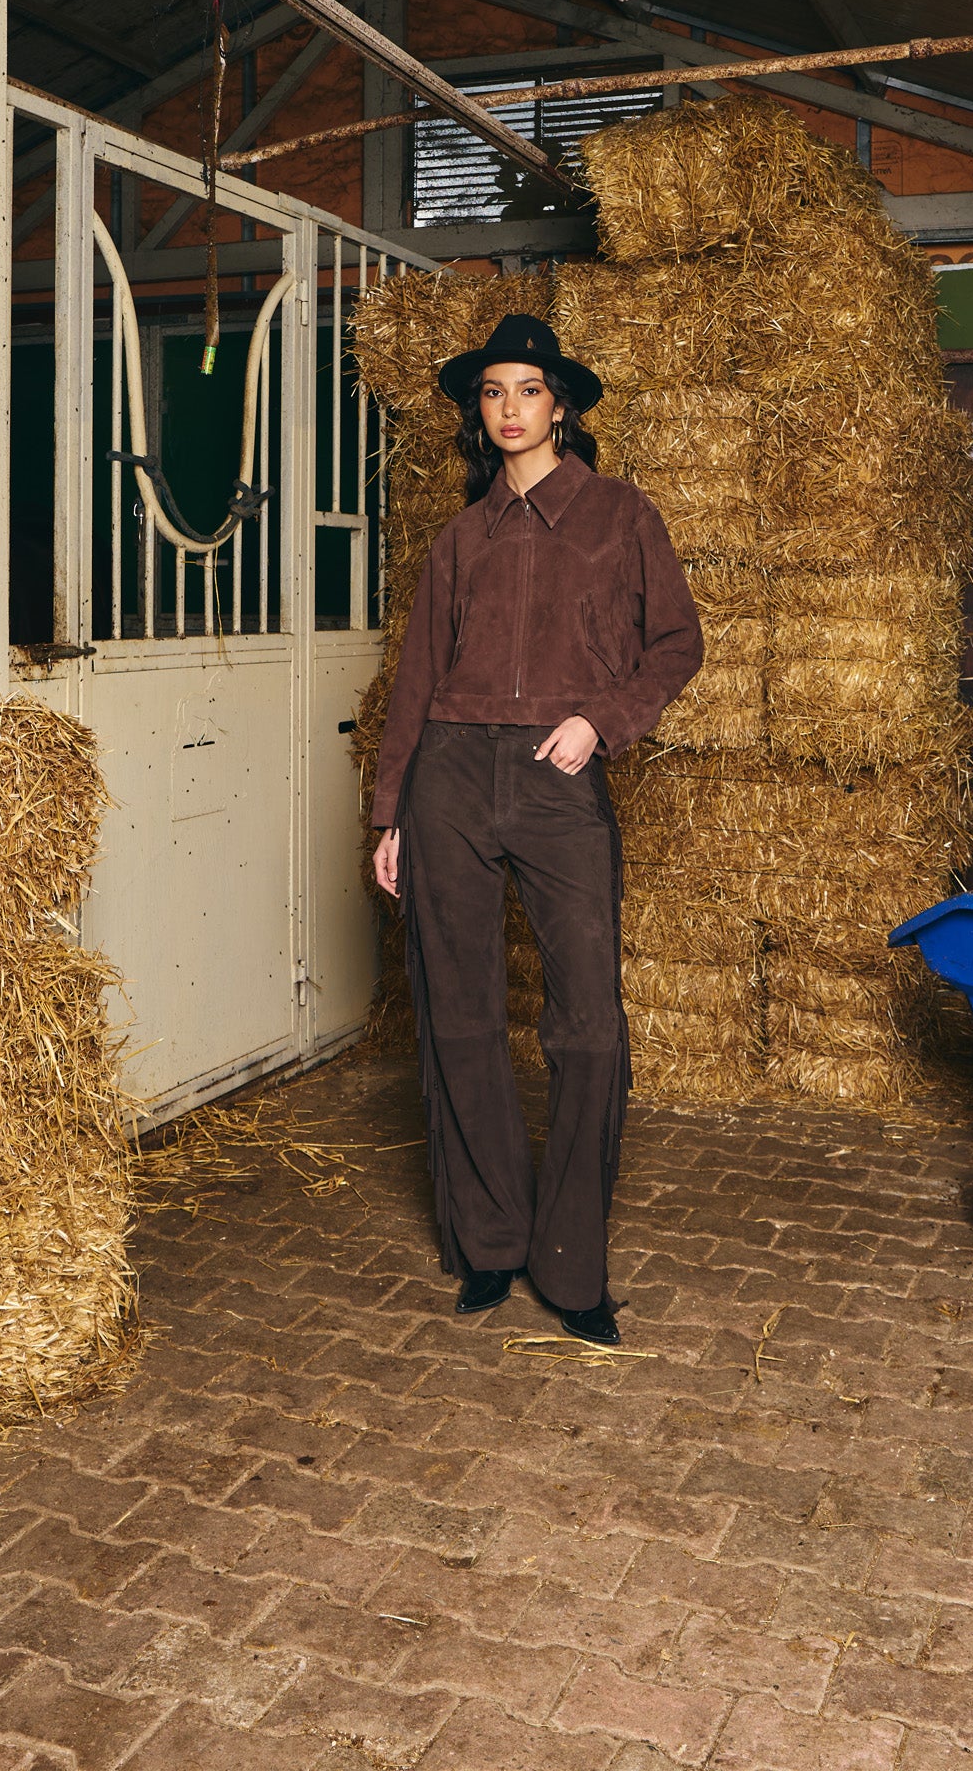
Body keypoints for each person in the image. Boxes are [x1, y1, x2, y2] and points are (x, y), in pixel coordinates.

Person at [370, 313, 703, 1346]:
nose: (509, 408)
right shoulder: (461, 537)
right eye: (492, 392)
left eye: (527, 389)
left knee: (586, 1025)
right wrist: (389, 813)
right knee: (459, 1016)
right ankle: (488, 1244)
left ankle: (572, 1265)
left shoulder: (617, 515)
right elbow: (416, 681)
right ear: (481, 412)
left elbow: (677, 643)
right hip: (450, 781)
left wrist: (599, 721)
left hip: (559, 784)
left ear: (560, 404)